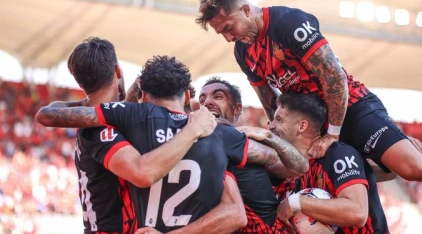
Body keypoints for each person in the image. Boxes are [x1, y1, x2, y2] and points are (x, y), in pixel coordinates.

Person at [195, 0, 422, 181]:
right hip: (312, 124)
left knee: (414, 169)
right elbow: (268, 99)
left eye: (229, 27)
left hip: (352, 108)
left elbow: (333, 76)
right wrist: (281, 132)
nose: (227, 38)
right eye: (221, 33)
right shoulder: (242, 51)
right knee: (328, 176)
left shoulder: (287, 22)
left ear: (246, 10)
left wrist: (332, 134)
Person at [36, 55, 267, 233]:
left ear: (143, 96)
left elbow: (48, 115)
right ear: (188, 97)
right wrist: (265, 135)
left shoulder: (128, 123)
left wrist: (91, 102)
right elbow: (239, 209)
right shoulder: (219, 135)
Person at [240, 93, 389, 233]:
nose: (270, 126)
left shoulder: (338, 154)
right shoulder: (301, 169)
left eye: (278, 119)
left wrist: (296, 202)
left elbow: (357, 212)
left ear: (302, 126)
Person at [198, 76, 307, 233]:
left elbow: (300, 167)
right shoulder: (190, 140)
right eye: (202, 100)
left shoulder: (249, 143)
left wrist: (268, 136)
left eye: (218, 96)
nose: (207, 102)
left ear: (237, 109)